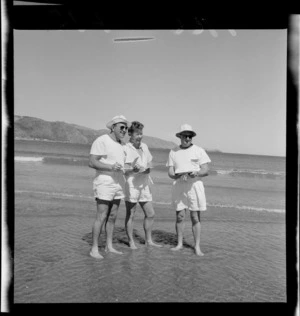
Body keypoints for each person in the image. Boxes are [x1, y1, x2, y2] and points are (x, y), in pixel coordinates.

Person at [89, 115, 130, 259]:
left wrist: (133, 168)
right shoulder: (102, 140)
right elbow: (92, 162)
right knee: (102, 215)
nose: (124, 130)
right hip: (105, 181)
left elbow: (123, 165)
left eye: (126, 128)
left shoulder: (123, 145)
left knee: (112, 216)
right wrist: (110, 167)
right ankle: (94, 248)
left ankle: (109, 246)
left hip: (119, 182)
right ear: (113, 127)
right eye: (122, 127)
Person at [166, 124, 211, 256]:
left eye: (190, 136)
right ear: (180, 136)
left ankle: (197, 247)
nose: (187, 138)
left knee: (195, 217)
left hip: (194, 185)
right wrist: (177, 175)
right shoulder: (173, 151)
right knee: (180, 216)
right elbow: (170, 172)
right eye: (185, 135)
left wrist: (196, 173)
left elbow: (206, 170)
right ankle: (179, 244)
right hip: (179, 185)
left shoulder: (199, 150)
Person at [123, 121, 162, 249]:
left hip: (145, 182)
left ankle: (148, 240)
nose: (140, 136)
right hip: (132, 183)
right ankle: (131, 241)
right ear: (130, 134)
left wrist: (148, 168)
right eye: (137, 134)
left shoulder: (144, 146)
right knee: (131, 213)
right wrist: (132, 170)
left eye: (141, 134)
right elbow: (124, 169)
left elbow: (150, 163)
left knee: (150, 213)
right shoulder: (126, 148)